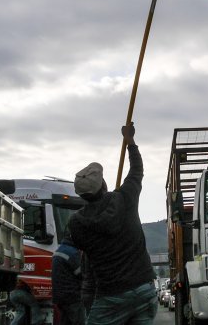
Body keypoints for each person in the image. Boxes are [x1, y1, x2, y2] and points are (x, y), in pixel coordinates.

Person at [68, 123, 157, 325]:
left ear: (81, 195)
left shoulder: (77, 223)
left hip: (110, 296)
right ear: (104, 185)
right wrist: (130, 140)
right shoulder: (125, 198)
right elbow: (137, 170)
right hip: (144, 288)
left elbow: (83, 248)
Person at [52, 232, 86, 325]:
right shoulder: (72, 252)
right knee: (79, 322)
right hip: (72, 296)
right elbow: (81, 274)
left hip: (59, 297)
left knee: (65, 321)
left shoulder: (59, 250)